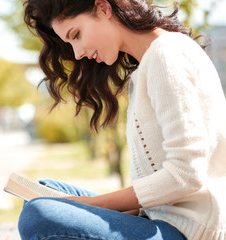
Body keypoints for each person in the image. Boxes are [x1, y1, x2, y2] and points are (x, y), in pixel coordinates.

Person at [18, 0, 226, 239]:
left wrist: (93, 205)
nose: (77, 53)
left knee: (40, 214)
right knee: (45, 191)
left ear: (103, 8)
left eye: (76, 35)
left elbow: (186, 175)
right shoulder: (148, 65)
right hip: (160, 219)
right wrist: (85, 205)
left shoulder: (167, 55)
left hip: (189, 231)